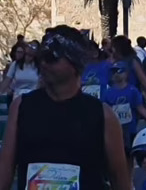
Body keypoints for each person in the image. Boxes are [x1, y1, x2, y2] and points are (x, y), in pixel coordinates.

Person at [0, 25, 129, 190]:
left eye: (51, 57)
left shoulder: (103, 116)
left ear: (74, 64)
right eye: (41, 57)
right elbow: (5, 171)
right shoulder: (21, 107)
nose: (44, 63)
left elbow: (120, 180)